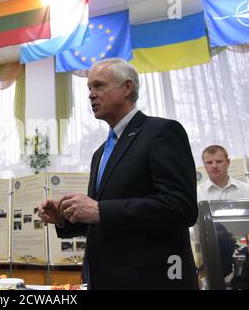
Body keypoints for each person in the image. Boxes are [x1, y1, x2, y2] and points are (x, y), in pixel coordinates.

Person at [38, 58, 198, 289]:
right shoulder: (100, 153)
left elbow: (181, 207)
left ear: (127, 87)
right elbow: (103, 220)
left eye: (99, 86)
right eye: (89, 88)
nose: (91, 94)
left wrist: (99, 209)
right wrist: (64, 218)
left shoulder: (162, 132)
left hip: (152, 281)